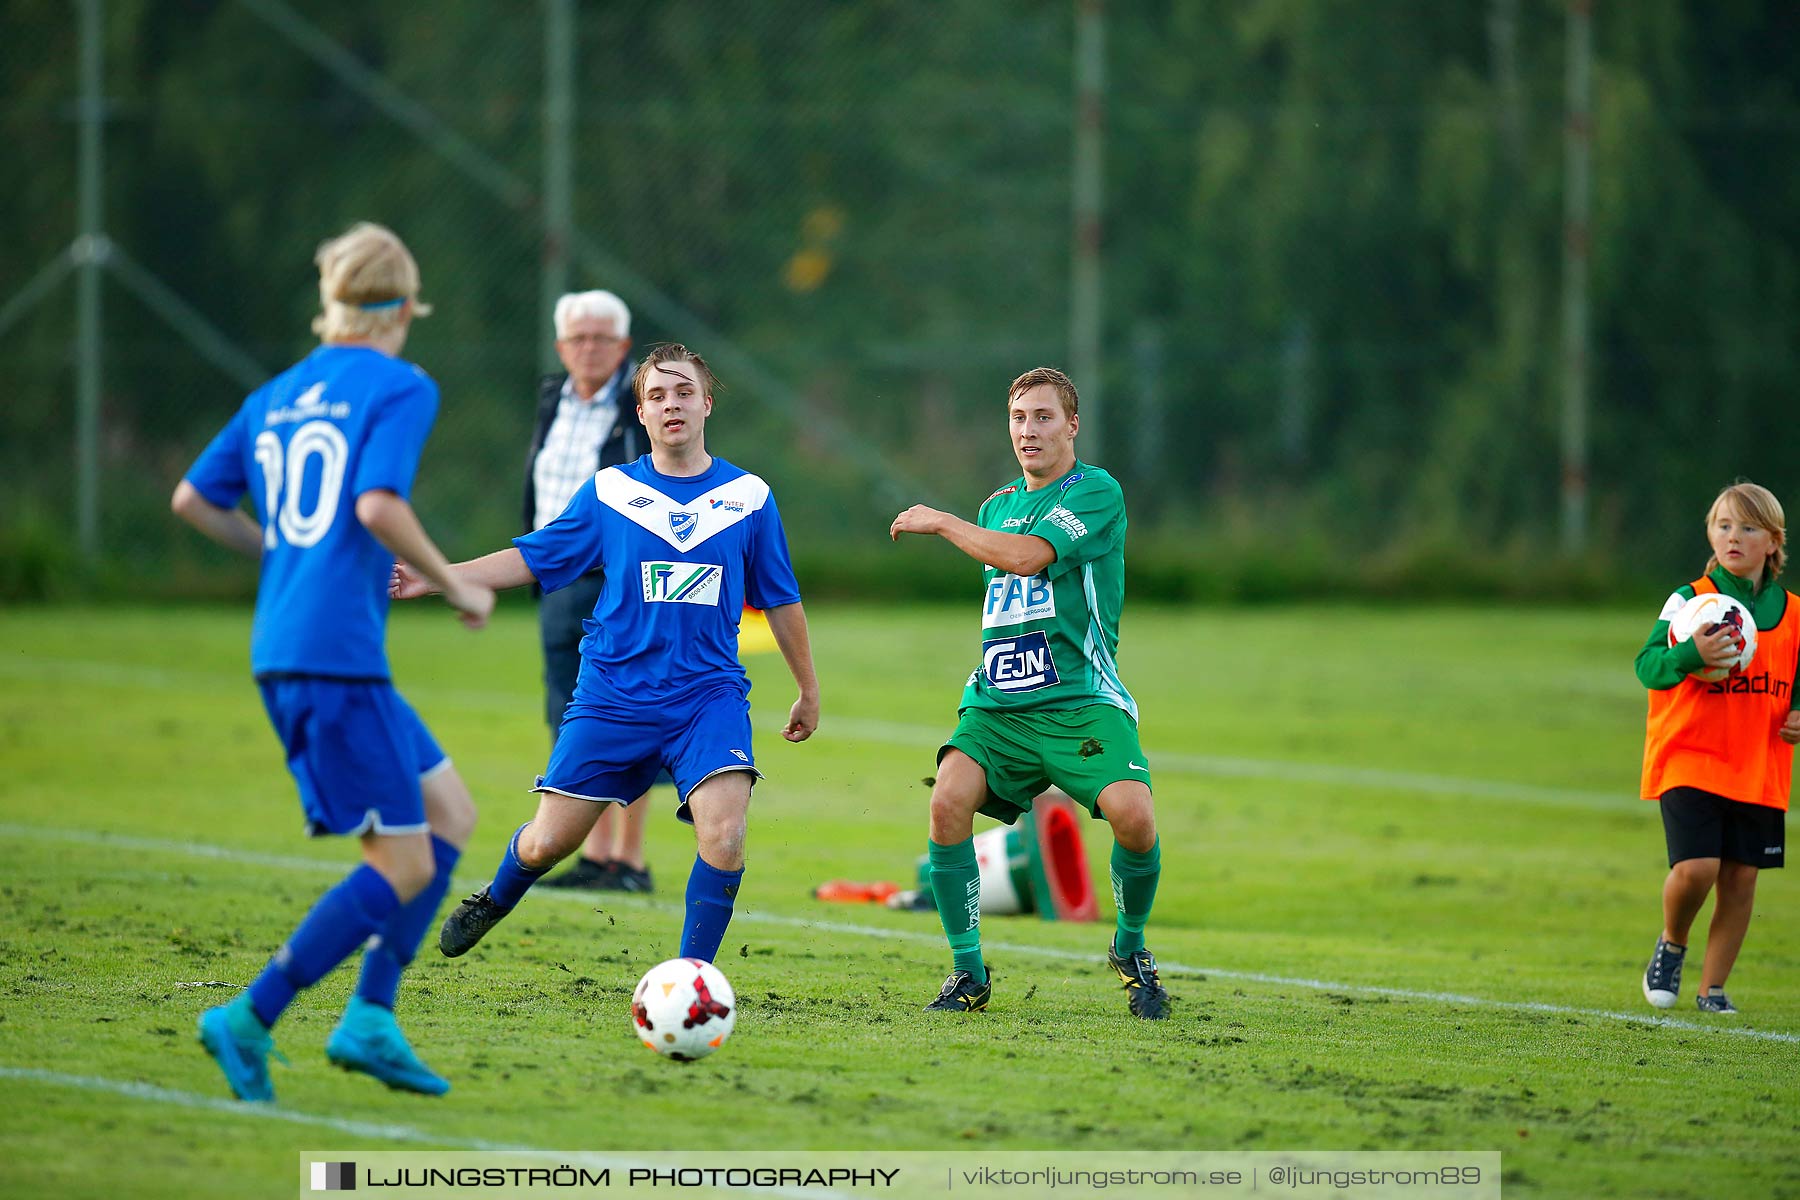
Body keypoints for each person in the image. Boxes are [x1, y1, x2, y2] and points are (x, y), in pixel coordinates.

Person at [171, 222, 495, 1102]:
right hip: (332, 659)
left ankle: (371, 1019)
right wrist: (456, 587)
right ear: (404, 306)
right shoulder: (401, 384)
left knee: (450, 814)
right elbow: (380, 504)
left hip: (303, 646)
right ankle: (248, 1016)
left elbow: (194, 499)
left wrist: (279, 544)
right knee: (404, 864)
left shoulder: (278, 391)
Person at [391, 343, 821, 964]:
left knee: (724, 835)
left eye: (682, 392)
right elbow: (533, 556)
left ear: (706, 403)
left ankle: (690, 979)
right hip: (613, 696)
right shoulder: (611, 491)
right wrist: (439, 576)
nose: (670, 404)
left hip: (708, 696)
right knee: (547, 844)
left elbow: (781, 599)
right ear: (640, 414)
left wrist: (807, 689)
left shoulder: (749, 497)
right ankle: (495, 897)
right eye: (655, 395)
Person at [889, 366, 1170, 1019]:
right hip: (999, 704)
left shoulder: (1096, 490)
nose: (1029, 430)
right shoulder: (997, 506)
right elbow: (1009, 598)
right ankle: (968, 973)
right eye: (1019, 418)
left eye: (1044, 417)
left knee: (1134, 816)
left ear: (1073, 425)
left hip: (1080, 699)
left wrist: (941, 522)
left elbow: (1025, 558)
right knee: (947, 804)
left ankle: (1131, 951)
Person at [1636, 480, 1799, 1014]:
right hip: (1691, 753)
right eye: (1724, 525)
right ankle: (1672, 942)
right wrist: (1689, 655)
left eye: (1748, 528)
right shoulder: (1689, 601)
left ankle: (1713, 991)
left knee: (1741, 877)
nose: (1734, 537)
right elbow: (1648, 667)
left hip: (1758, 762)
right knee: (1697, 868)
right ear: (1710, 532)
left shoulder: (1793, 612)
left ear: (1772, 542)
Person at [525, 289, 656, 894]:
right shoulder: (552, 398)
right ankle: (593, 855)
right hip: (558, 575)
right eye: (578, 337)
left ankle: (629, 861)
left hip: (620, 578)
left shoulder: (643, 403)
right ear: (561, 345)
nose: (589, 348)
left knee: (633, 711)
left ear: (623, 346)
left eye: (602, 338)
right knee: (568, 711)